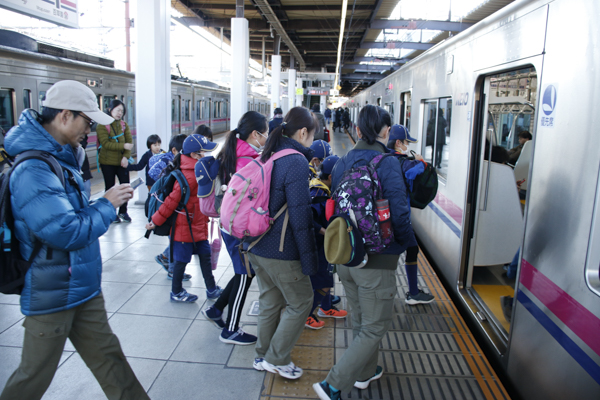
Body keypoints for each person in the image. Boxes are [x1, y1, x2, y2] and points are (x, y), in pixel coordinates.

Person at [0, 80, 148, 400]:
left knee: (110, 360)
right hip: (51, 292)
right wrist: (107, 205)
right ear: (65, 116)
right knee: (33, 376)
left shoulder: (64, 157)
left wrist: (102, 205)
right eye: (89, 122)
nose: (90, 130)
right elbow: (65, 231)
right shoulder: (34, 169)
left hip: (81, 286)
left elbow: (73, 218)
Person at [313, 105, 416, 400]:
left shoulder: (343, 162)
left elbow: (336, 205)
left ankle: (365, 372)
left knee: (360, 321)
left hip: (347, 255)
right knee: (374, 328)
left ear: (357, 131)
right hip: (377, 262)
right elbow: (400, 212)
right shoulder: (387, 163)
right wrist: (406, 244)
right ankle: (332, 385)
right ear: (386, 131)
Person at [249, 106, 319, 380]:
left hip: (256, 245)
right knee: (302, 301)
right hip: (281, 250)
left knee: (270, 300)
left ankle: (262, 354)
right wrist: (309, 260)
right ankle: (277, 359)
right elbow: (300, 217)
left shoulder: (271, 153)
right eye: (312, 134)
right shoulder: (297, 161)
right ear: (303, 132)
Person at [201, 111, 268, 345]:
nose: (266, 137)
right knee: (244, 274)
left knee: (244, 270)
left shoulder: (233, 153)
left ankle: (216, 310)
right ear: (255, 134)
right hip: (239, 228)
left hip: (228, 224)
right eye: (265, 132)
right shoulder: (247, 161)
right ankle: (230, 329)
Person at [145, 134, 223, 303]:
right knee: (181, 262)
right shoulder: (189, 175)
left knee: (205, 257)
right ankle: (176, 291)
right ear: (195, 155)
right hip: (184, 227)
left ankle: (211, 288)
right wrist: (155, 221)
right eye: (204, 152)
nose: (206, 155)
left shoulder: (197, 170)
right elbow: (170, 202)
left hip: (197, 224)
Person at [387, 125, 435, 305]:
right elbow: (413, 171)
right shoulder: (403, 161)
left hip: (385, 213)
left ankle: (413, 292)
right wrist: (421, 161)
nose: (408, 145)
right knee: (406, 250)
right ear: (398, 143)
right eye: (407, 142)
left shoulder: (383, 158)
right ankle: (412, 293)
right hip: (398, 216)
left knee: (410, 249)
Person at [305, 154, 348, 330]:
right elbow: (309, 220)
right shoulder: (319, 195)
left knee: (327, 274)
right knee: (323, 281)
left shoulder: (318, 187)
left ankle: (326, 307)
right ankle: (307, 315)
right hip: (317, 245)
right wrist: (326, 232)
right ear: (331, 177)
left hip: (321, 244)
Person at [151, 133, 187, 274]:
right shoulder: (171, 168)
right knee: (175, 242)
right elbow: (171, 198)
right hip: (170, 213)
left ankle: (165, 257)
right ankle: (173, 270)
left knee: (175, 241)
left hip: (175, 212)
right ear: (174, 151)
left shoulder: (177, 166)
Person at [96, 99, 133, 223]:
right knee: (109, 188)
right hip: (107, 162)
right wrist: (123, 147)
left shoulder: (124, 125)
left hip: (121, 162)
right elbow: (105, 144)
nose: (119, 113)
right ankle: (111, 213)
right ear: (110, 110)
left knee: (125, 187)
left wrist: (125, 157)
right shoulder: (102, 125)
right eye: (117, 110)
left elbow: (129, 143)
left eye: (122, 111)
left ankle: (123, 211)